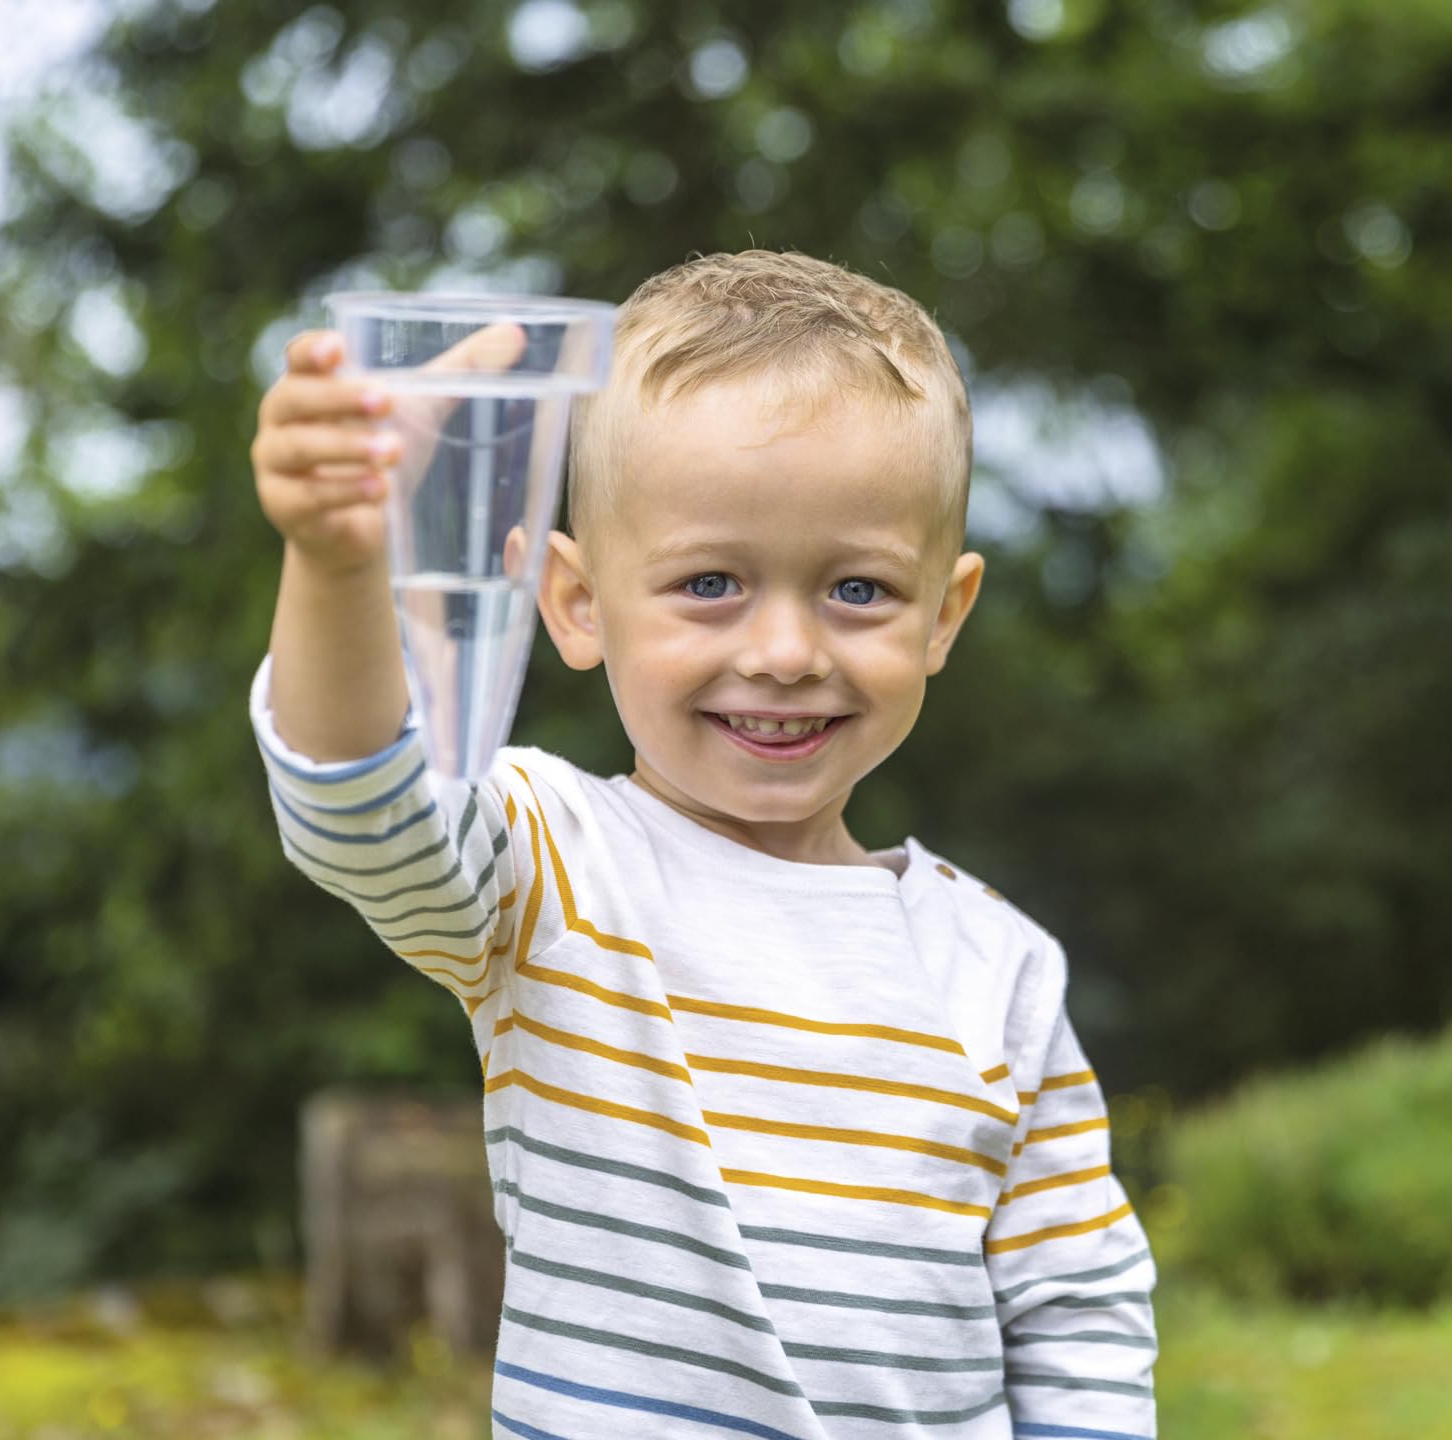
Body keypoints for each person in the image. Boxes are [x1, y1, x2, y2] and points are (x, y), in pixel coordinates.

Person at [247, 249, 1158, 1439]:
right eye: (712, 582)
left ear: (946, 613)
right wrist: (338, 561)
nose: (785, 649)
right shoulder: (552, 863)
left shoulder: (1003, 972)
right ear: (574, 602)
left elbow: (1078, 1317)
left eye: (859, 592)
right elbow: (362, 813)